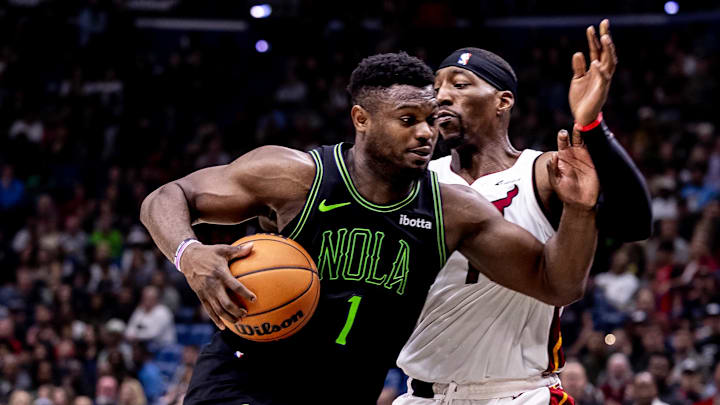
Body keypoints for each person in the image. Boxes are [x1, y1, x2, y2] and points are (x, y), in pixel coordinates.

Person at [141, 52, 600, 404]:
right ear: (362, 119)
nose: (426, 132)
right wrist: (190, 253)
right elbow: (167, 197)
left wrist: (579, 211)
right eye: (408, 120)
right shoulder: (295, 176)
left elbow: (555, 282)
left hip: (347, 392)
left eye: (429, 120)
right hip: (247, 379)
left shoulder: (452, 210)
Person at [395, 20, 651, 404]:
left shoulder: (541, 172)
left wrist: (592, 126)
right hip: (423, 396)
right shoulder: (413, 181)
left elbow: (635, 222)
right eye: (436, 89)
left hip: (518, 393)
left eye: (459, 84)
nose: (442, 96)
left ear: (503, 101)